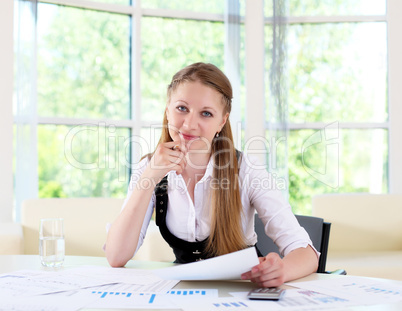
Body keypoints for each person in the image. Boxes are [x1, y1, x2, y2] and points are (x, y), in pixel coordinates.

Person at [105, 62, 318, 287]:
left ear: (222, 122)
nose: (189, 124)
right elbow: (116, 256)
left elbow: (307, 253)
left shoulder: (247, 170)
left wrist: (281, 270)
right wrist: (148, 179)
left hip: (242, 294)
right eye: (181, 108)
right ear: (167, 109)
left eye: (206, 113)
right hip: (185, 294)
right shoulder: (148, 168)